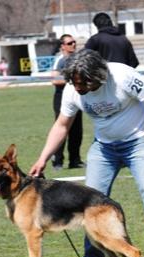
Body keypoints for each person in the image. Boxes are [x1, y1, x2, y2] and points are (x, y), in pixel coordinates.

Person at [29, 49, 144, 257]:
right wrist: (43, 158)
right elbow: (62, 125)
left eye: (82, 83)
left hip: (138, 141)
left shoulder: (122, 76)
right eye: (74, 82)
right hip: (104, 147)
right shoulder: (72, 90)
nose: (77, 87)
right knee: (88, 205)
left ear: (97, 76)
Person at [51, 34, 84, 170]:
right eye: (70, 43)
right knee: (62, 128)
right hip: (61, 98)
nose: (73, 45)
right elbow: (54, 79)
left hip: (77, 97)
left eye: (74, 42)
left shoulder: (78, 58)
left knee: (77, 131)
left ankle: (75, 160)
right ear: (63, 46)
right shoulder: (60, 60)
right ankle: (57, 161)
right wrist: (72, 79)